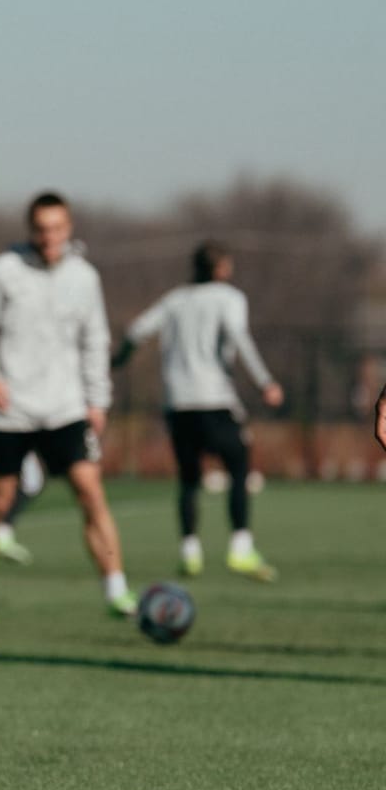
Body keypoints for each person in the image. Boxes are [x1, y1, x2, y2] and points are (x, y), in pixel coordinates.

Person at [0, 192, 136, 623]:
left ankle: (116, 587)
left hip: (65, 407)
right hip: (11, 408)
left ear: (69, 228)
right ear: (30, 228)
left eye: (57, 228)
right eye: (41, 229)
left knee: (91, 493)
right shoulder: (3, 271)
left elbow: (95, 341)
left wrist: (98, 400)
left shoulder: (84, 277)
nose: (49, 237)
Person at [114, 241, 284, 580]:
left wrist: (118, 359)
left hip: (177, 402)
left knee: (188, 478)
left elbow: (136, 330)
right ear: (222, 269)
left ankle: (190, 552)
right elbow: (239, 337)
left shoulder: (175, 300)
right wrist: (266, 382)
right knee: (239, 465)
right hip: (215, 398)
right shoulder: (229, 298)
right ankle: (240, 547)